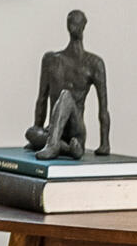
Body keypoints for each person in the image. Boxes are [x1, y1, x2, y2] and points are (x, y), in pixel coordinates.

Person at [27, 9, 112, 160]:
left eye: (77, 23)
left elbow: (103, 108)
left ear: (83, 26)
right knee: (30, 133)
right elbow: (42, 99)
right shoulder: (51, 60)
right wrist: (37, 127)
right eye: (72, 23)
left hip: (75, 131)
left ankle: (53, 145)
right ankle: (66, 148)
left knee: (65, 96)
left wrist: (104, 143)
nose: (74, 27)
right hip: (51, 130)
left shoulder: (94, 63)